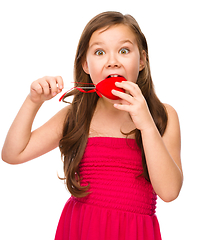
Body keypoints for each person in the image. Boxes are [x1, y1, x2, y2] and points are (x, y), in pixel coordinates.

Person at [1, 11, 183, 240]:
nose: (113, 61)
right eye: (99, 52)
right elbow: (12, 153)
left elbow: (169, 192)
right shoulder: (75, 115)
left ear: (142, 60)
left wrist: (146, 125)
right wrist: (32, 102)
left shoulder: (162, 116)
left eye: (124, 50)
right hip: (82, 229)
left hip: (134, 232)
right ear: (86, 65)